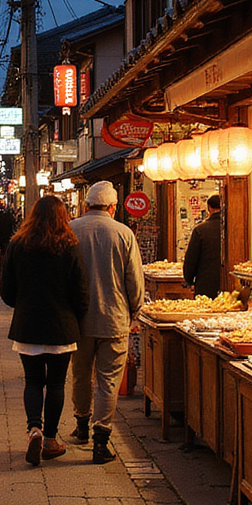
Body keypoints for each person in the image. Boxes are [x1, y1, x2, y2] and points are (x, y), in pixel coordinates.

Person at [0, 195, 89, 466]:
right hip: (61, 324)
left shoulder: (17, 244)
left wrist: (24, 304)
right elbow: (80, 290)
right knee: (56, 382)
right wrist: (77, 315)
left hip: (28, 323)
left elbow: (6, 289)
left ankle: (34, 428)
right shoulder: (69, 245)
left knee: (33, 380)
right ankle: (50, 439)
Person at [68, 180, 145, 464]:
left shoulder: (72, 230)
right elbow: (134, 280)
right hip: (114, 318)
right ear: (112, 207)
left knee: (80, 373)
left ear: (86, 205)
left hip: (78, 319)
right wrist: (136, 311)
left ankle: (80, 425)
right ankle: (101, 438)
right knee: (108, 380)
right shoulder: (123, 233)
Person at [183, 194, 222, 298]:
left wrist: (189, 280)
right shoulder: (233, 229)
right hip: (230, 285)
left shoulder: (200, 230)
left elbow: (191, 259)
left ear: (209, 207)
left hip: (205, 283)